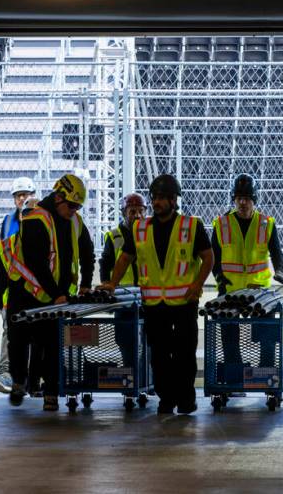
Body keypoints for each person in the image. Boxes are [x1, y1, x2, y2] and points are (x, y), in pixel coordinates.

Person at [104, 174, 213, 415]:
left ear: (174, 200)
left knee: (184, 354)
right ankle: (166, 399)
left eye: (163, 198)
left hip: (184, 301)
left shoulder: (191, 225)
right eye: (155, 198)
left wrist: (197, 284)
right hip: (154, 302)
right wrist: (111, 282)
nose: (158, 202)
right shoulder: (140, 228)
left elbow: (208, 256)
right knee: (160, 355)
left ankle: (186, 399)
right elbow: (125, 258)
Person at [0, 173, 95, 411]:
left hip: (54, 295)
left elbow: (87, 253)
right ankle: (19, 382)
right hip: (25, 290)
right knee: (18, 341)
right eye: (72, 205)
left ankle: (51, 392)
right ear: (59, 197)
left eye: (78, 206)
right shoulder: (35, 218)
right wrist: (55, 294)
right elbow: (35, 262)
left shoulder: (75, 221)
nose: (74, 210)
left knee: (52, 344)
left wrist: (85, 284)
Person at [211, 174, 283, 371]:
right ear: (233, 199)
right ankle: (234, 372)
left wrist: (279, 272)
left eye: (247, 198)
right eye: (239, 198)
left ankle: (265, 372)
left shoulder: (266, 223)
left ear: (254, 200)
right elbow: (213, 258)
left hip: (259, 291)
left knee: (267, 333)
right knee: (228, 332)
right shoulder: (221, 224)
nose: (243, 203)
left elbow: (277, 253)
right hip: (230, 290)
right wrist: (220, 279)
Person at [0, 177, 36, 394]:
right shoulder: (8, 222)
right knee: (11, 333)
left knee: (35, 336)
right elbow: (3, 259)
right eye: (19, 195)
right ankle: (9, 375)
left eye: (26, 194)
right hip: (12, 290)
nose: (23, 198)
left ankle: (32, 380)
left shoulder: (43, 220)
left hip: (35, 290)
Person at [99, 192, 147, 366]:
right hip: (123, 296)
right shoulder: (114, 236)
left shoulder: (149, 234)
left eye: (141, 211)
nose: (137, 216)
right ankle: (131, 374)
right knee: (125, 339)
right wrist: (106, 283)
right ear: (124, 213)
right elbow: (105, 262)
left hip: (147, 295)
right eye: (132, 211)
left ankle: (145, 378)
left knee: (150, 341)